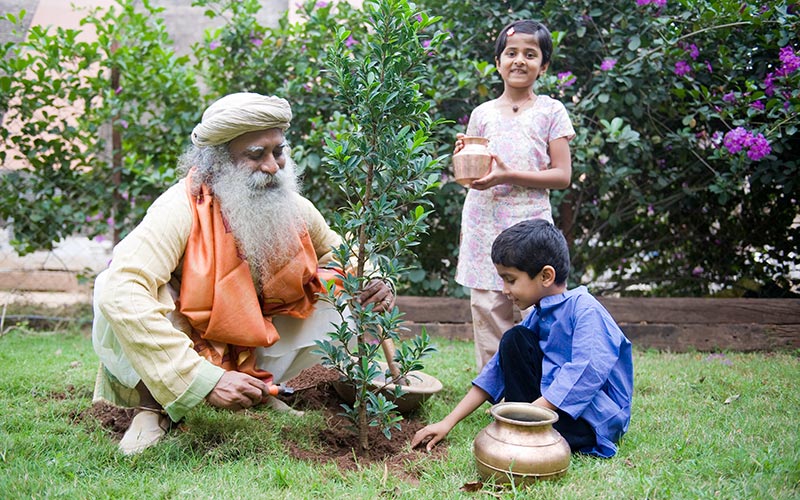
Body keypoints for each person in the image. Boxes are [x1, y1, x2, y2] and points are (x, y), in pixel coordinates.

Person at [91, 92, 394, 455]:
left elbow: (341, 251)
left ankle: (257, 390)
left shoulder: (292, 207)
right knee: (116, 285)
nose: (272, 166)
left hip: (247, 329)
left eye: (278, 151)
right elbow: (123, 288)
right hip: (186, 330)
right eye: (256, 155)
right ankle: (150, 409)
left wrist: (377, 278)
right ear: (218, 162)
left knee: (344, 283)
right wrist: (202, 380)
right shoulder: (178, 207)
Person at [413, 220, 633, 458]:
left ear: (546, 276)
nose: (505, 290)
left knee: (517, 341)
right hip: (552, 415)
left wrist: (530, 414)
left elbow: (586, 371)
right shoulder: (538, 315)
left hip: (590, 422)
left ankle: (523, 427)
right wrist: (448, 422)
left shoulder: (586, 309)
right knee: (514, 340)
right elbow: (495, 371)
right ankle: (525, 428)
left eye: (511, 279)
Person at [454, 19, 575, 369]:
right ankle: (496, 395)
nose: (519, 60)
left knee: (538, 310)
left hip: (530, 225)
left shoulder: (551, 111)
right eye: (511, 53)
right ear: (497, 62)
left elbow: (562, 175)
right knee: (489, 309)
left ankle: (540, 393)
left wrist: (508, 176)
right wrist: (465, 157)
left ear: (544, 65)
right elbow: (472, 173)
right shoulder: (482, 114)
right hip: (483, 223)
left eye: (530, 54)